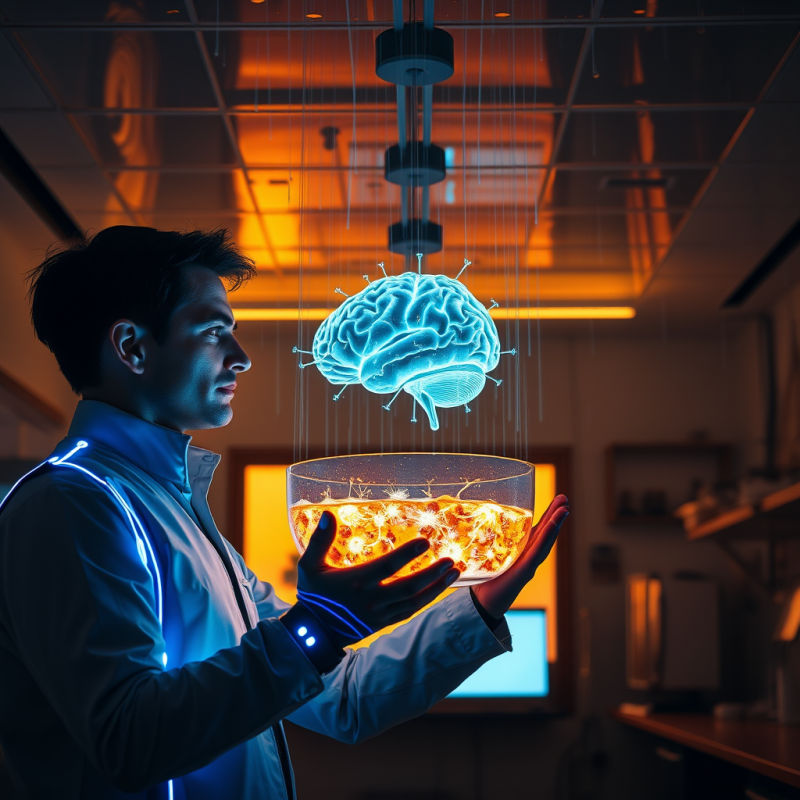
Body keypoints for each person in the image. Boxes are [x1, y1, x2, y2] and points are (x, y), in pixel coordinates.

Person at [0, 226, 569, 800]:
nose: (240, 358)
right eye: (215, 332)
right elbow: (129, 740)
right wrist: (321, 623)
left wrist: (478, 607)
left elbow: (341, 697)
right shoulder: (70, 505)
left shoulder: (173, 511)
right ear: (132, 347)